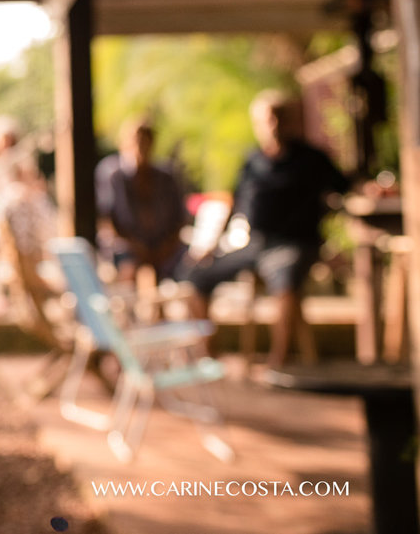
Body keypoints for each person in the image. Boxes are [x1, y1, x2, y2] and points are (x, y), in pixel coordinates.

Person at [183, 90, 350, 369]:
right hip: (254, 243)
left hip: (295, 244)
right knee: (195, 275)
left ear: (290, 122)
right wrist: (212, 244)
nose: (273, 126)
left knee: (285, 284)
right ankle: (208, 354)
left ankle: (278, 363)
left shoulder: (312, 159)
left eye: (279, 119)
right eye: (267, 120)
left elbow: (344, 188)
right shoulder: (252, 161)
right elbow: (235, 203)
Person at [94, 116, 187, 284]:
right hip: (125, 247)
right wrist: (137, 248)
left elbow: (179, 220)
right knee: (130, 266)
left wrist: (164, 249)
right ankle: (133, 306)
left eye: (146, 142)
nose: (140, 148)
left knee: (190, 267)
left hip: (164, 249)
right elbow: (107, 220)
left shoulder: (166, 177)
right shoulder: (113, 175)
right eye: (136, 142)